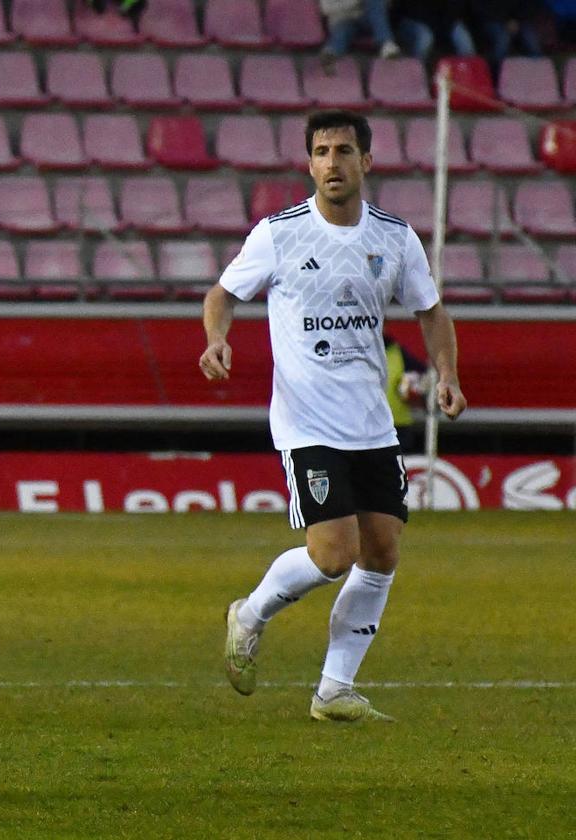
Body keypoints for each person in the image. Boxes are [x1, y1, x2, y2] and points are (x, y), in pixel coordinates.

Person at [199, 110, 467, 722]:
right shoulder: (279, 234)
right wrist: (216, 338)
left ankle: (333, 690)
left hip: (372, 423)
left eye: (344, 150)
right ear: (309, 162)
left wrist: (447, 373)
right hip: (307, 423)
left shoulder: (395, 238)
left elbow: (431, 311)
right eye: (321, 151)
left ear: (366, 162)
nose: (331, 162)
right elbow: (222, 295)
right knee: (332, 554)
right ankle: (251, 612)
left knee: (382, 553)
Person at [320, 0, 401, 74]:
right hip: (343, 20)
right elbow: (325, 9)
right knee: (342, 31)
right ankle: (330, 54)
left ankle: (386, 45)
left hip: (367, 19)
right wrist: (355, 2)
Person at [384, 333, 429, 453]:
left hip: (399, 427)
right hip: (367, 427)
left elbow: (424, 376)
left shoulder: (398, 352)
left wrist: (413, 387)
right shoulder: (360, 351)